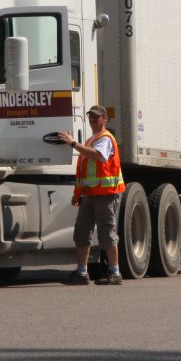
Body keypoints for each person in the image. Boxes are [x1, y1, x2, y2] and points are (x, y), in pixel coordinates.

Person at [57, 105, 126, 285]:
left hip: (106, 194)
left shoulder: (105, 139)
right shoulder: (90, 140)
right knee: (82, 232)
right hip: (89, 194)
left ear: (105, 119)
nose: (92, 119)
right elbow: (84, 171)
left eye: (96, 116)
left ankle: (115, 273)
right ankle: (82, 273)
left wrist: (73, 143)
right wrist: (77, 193)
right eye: (90, 116)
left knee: (107, 233)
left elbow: (98, 157)